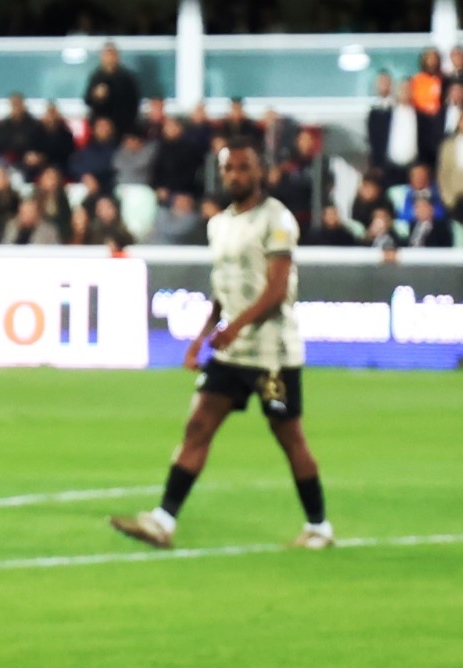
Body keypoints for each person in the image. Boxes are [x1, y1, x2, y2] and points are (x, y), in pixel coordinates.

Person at [110, 142, 331, 553]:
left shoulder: (276, 219)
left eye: (243, 168)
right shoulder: (219, 224)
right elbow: (223, 290)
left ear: (259, 172)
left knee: (289, 436)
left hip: (271, 357)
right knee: (198, 426)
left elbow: (277, 289)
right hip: (231, 354)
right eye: (229, 168)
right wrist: (201, 337)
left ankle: (319, 526)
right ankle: (163, 520)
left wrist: (234, 328)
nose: (234, 176)